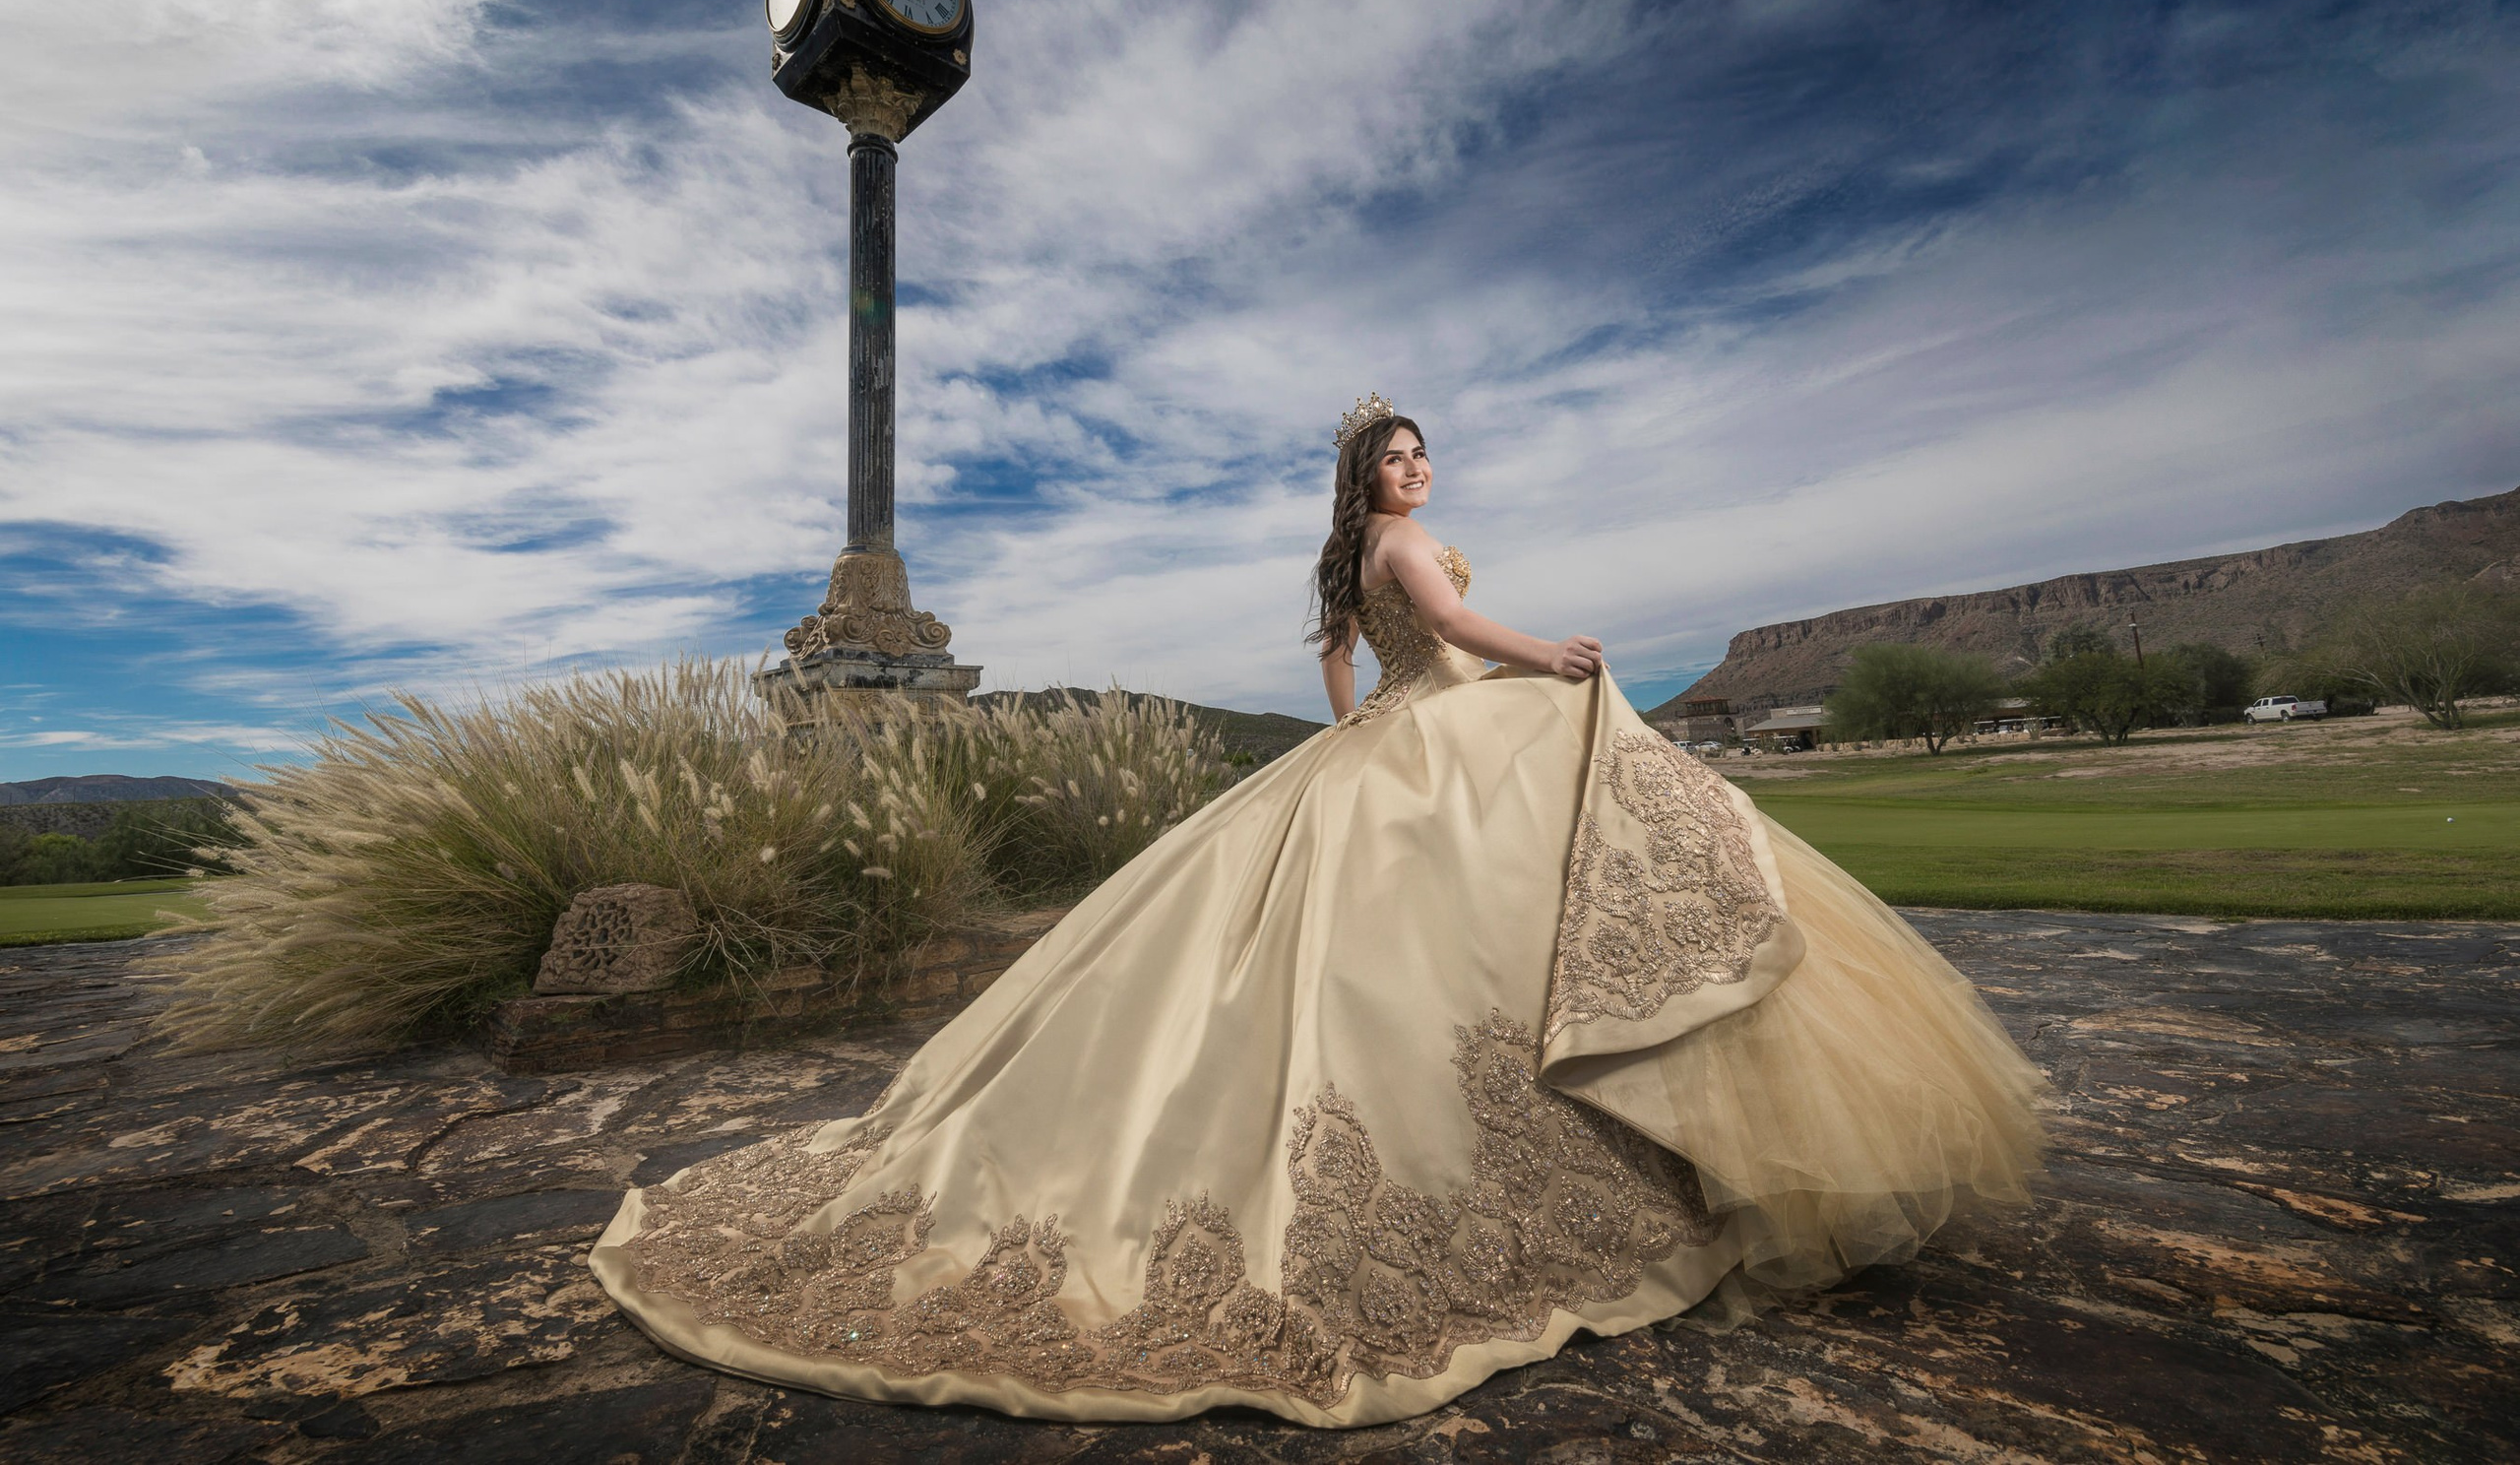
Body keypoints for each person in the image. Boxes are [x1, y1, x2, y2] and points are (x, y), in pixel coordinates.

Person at [590, 393, 2047, 1429]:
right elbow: (1451, 628)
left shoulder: (1354, 556)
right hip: (1454, 723)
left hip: (1400, 731)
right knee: (1496, 909)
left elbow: (1344, 654)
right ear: (1370, 481)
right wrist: (1543, 654)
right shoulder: (1404, 547)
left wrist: (1354, 722)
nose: (1416, 471)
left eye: (1421, 455)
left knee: (1490, 916)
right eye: (1396, 460)